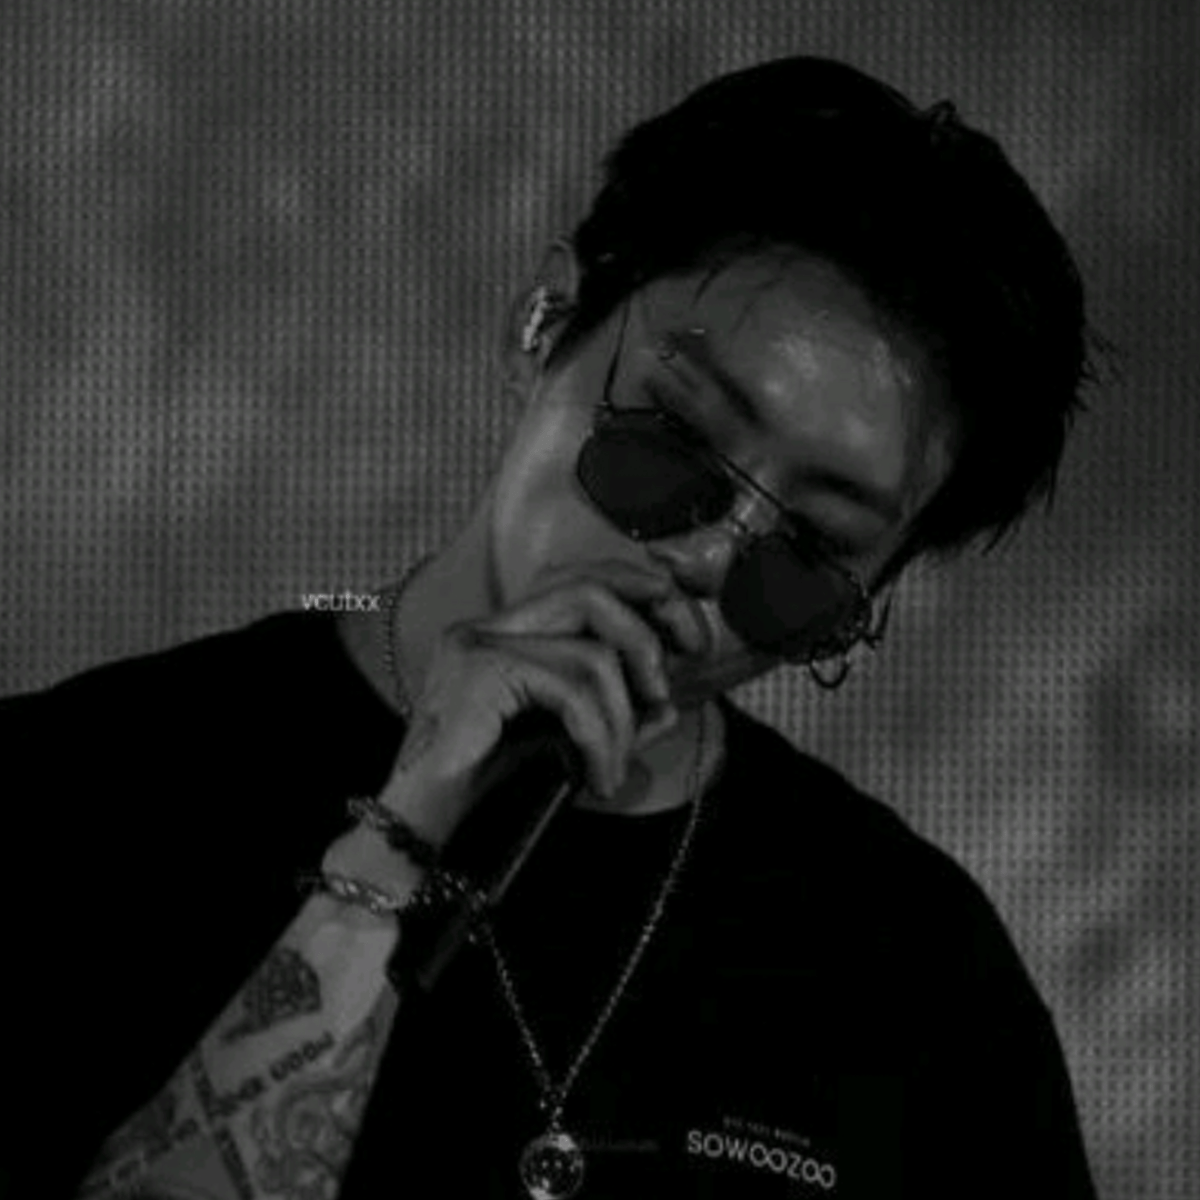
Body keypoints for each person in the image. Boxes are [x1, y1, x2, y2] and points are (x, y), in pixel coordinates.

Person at [1, 55, 1101, 1198]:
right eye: (674, 441)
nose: (708, 559)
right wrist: (397, 838)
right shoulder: (76, 795)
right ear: (545, 321)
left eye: (810, 553)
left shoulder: (915, 972)